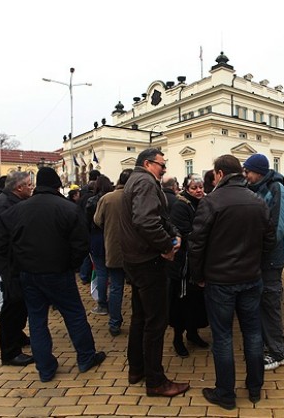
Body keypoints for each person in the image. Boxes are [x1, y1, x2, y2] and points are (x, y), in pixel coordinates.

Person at [0, 167, 105, 382]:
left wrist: (18, 266)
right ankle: (85, 357)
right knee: (74, 315)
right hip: (58, 272)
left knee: (37, 321)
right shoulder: (68, 209)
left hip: (29, 274)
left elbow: (4, 243)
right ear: (57, 186)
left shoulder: (15, 210)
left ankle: (45, 369)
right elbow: (81, 244)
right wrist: (70, 265)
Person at [189, 154, 276, 410]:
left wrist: (198, 276)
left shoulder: (212, 202)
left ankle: (226, 393)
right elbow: (269, 240)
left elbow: (196, 244)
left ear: (218, 174)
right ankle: (254, 387)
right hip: (249, 277)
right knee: (252, 331)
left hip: (221, 280)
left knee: (224, 336)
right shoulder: (257, 201)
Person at [119, 148, 189, 397]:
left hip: (136, 260)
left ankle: (137, 369)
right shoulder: (146, 182)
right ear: (148, 164)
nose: (165, 169)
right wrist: (167, 246)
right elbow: (146, 221)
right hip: (148, 263)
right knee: (156, 323)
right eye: (162, 165)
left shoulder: (137, 180)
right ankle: (156, 381)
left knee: (140, 317)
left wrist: (173, 234)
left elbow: (158, 217)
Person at [243, 153, 284, 371]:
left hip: (270, 258)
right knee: (262, 303)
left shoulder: (276, 188)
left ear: (259, 171)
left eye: (248, 171)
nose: (246, 175)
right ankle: (268, 346)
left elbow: (279, 227)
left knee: (270, 305)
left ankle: (279, 353)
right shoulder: (255, 188)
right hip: (259, 257)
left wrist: (259, 248)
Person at [0, 171, 35, 366]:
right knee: (12, 306)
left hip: (14, 263)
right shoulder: (4, 205)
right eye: (29, 185)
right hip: (10, 265)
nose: (32, 188)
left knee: (19, 305)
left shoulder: (10, 202)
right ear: (19, 188)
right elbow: (3, 240)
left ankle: (17, 336)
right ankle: (9, 352)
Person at [166, 174, 209, 358]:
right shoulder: (180, 205)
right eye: (194, 188)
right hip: (183, 264)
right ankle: (178, 338)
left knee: (196, 301)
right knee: (181, 302)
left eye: (200, 187)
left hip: (198, 262)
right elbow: (183, 233)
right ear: (186, 189)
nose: (198, 190)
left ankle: (193, 333)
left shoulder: (204, 203)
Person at [93, 169, 133, 337]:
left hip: (114, 248)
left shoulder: (107, 198)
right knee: (139, 288)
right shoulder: (136, 197)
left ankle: (115, 322)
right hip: (136, 250)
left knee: (116, 287)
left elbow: (97, 220)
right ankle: (141, 321)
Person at [85, 175, 114, 316]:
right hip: (113, 237)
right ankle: (114, 304)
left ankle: (102, 304)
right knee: (115, 274)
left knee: (101, 272)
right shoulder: (113, 199)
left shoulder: (92, 201)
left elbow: (87, 222)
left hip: (97, 238)